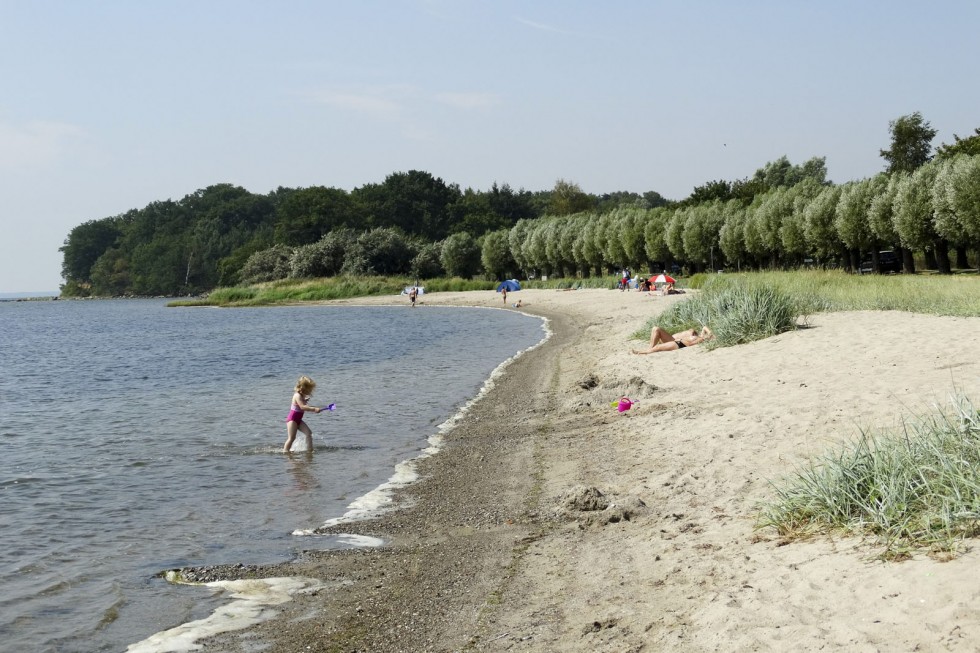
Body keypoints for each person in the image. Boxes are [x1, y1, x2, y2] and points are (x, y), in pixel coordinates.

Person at [283, 376, 322, 453]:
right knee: (291, 438)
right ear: (302, 388)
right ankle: (285, 451)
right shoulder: (297, 395)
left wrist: (304, 400)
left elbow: (302, 404)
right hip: (292, 420)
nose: (310, 392)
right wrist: (314, 409)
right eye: (309, 390)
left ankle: (310, 450)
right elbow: (302, 407)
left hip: (298, 420)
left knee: (309, 433)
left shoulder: (301, 396)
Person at [631, 325, 713, 354]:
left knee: (656, 331)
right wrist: (709, 333)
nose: (692, 331)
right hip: (674, 340)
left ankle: (644, 351)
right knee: (655, 329)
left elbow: (691, 343)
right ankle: (648, 350)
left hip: (678, 342)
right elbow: (704, 327)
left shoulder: (699, 338)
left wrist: (709, 335)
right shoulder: (698, 336)